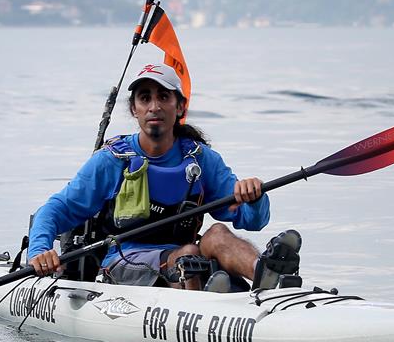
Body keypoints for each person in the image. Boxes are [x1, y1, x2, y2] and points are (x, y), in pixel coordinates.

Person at [27, 63, 296, 291]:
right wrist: (39, 251)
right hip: (124, 260)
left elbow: (254, 221)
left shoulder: (201, 160)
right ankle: (205, 302)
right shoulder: (112, 160)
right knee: (189, 254)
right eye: (145, 98)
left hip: (186, 260)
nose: (154, 106)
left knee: (217, 234)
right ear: (134, 110)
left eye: (164, 97)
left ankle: (267, 276)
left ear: (180, 107)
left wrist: (254, 197)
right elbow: (55, 210)